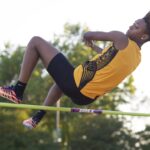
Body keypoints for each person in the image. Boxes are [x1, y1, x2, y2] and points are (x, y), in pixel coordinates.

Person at [0, 12, 150, 129]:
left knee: (36, 42)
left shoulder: (121, 38)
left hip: (75, 84)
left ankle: (17, 91)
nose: (130, 27)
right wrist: (94, 48)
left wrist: (88, 38)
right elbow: (110, 61)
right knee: (60, 82)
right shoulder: (137, 58)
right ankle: (37, 118)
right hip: (85, 98)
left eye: (136, 27)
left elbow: (88, 35)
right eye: (132, 23)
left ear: (144, 36)